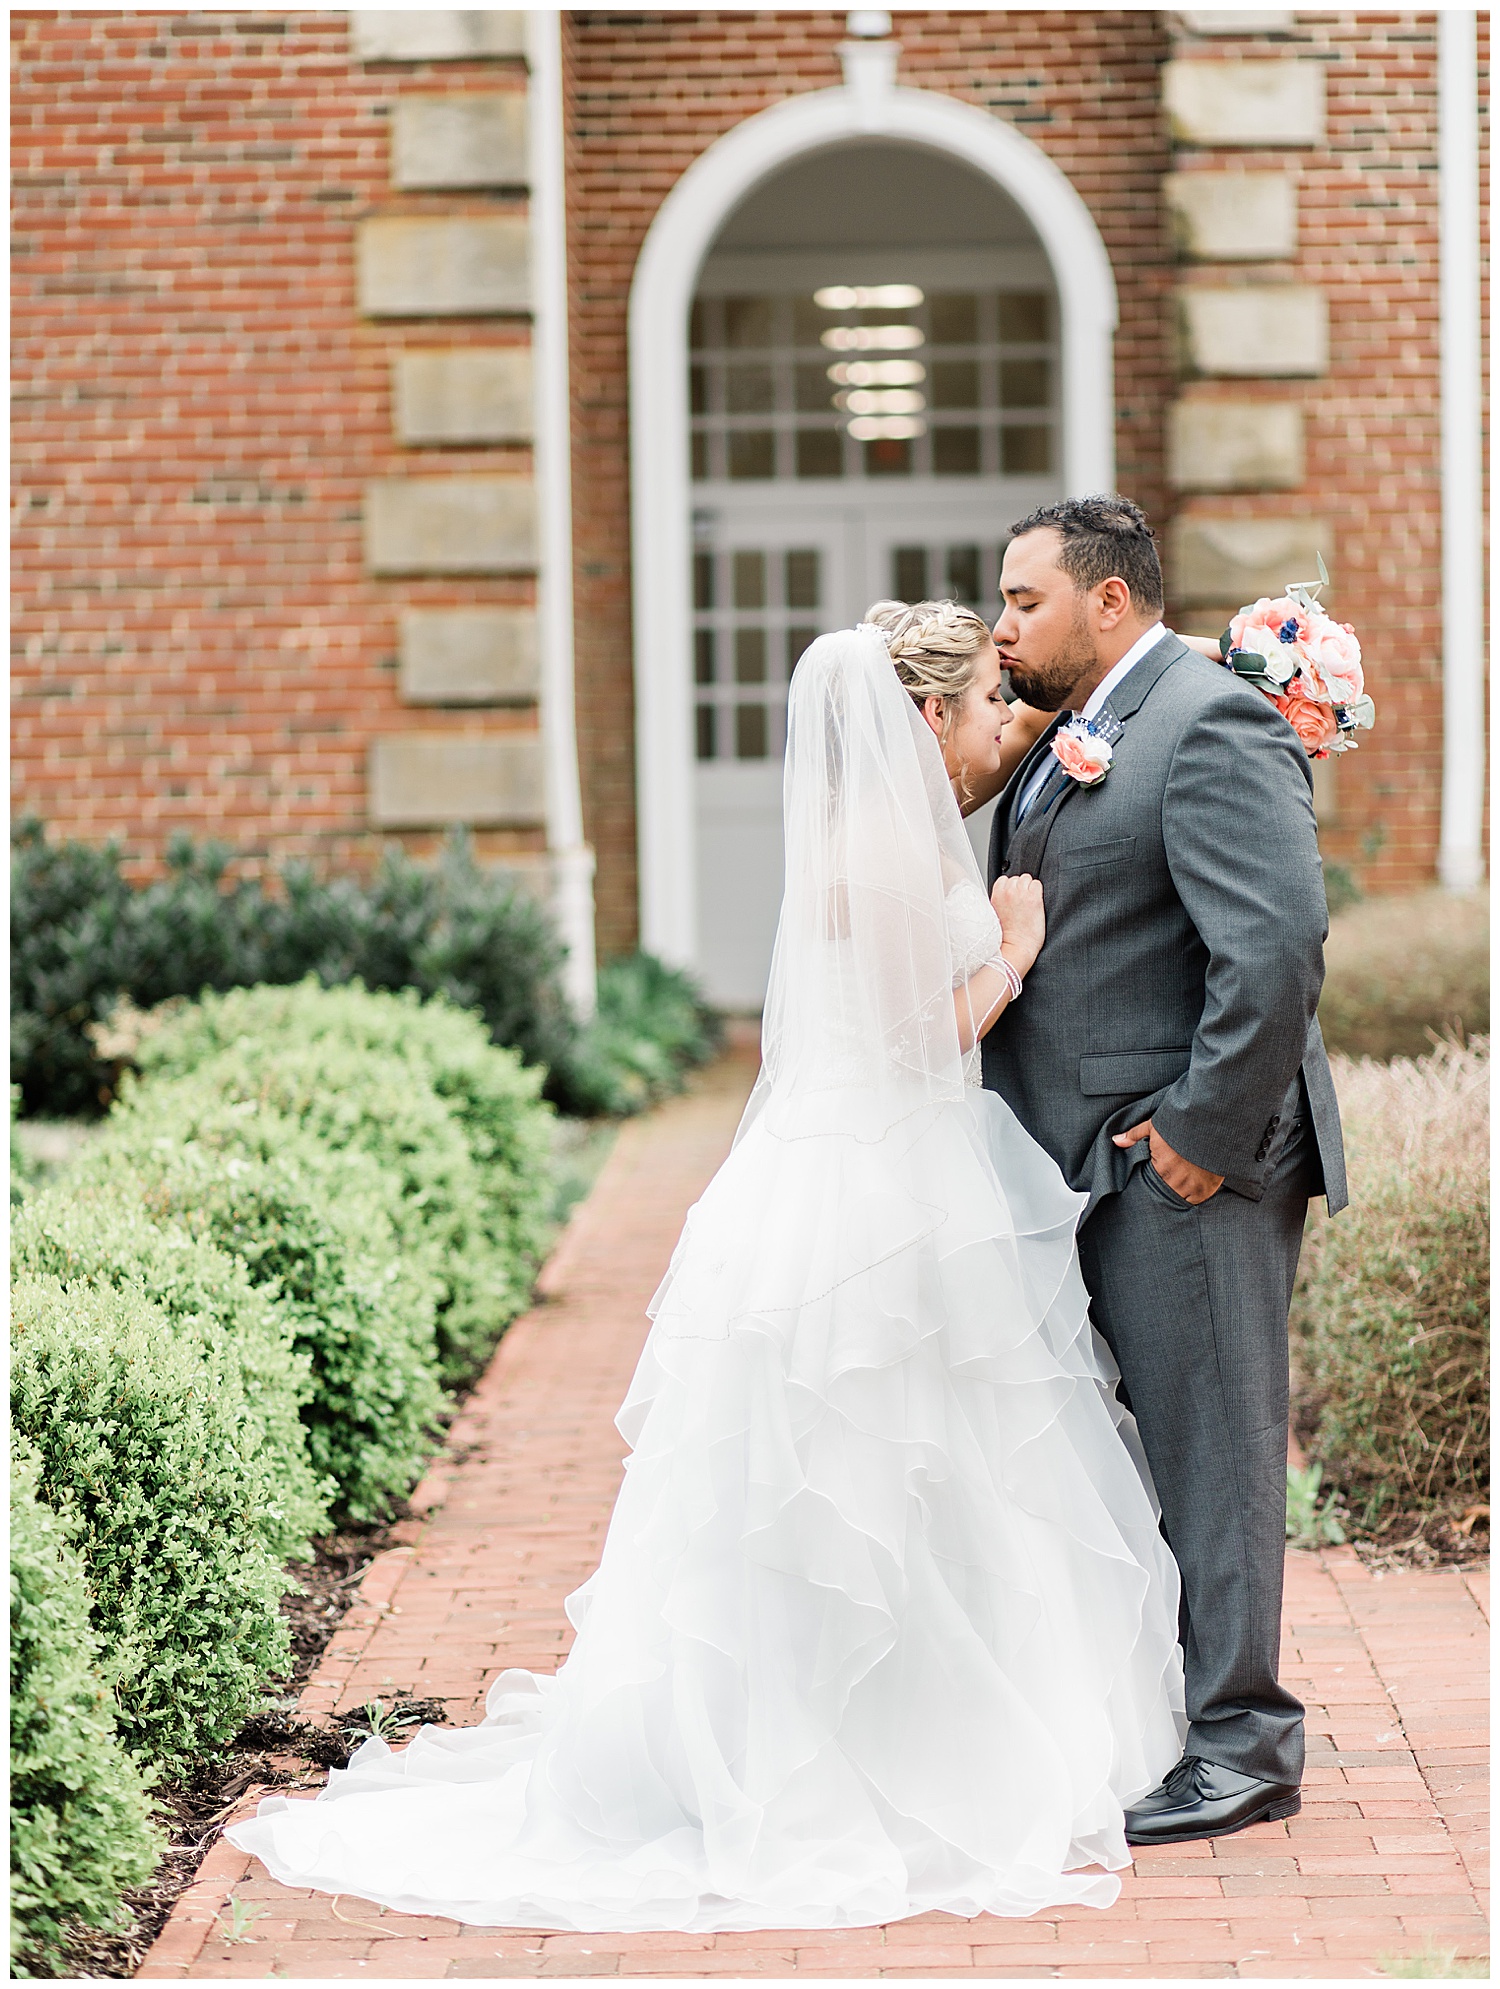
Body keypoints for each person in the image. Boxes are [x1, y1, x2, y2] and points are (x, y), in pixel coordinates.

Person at [228, 603, 1186, 1931]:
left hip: (869, 1178)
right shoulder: (876, 855)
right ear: (921, 718)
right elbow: (922, 1042)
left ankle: (908, 1736)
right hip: (873, 1195)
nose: (998, 724)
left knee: (907, 1475)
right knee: (877, 1467)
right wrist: (1014, 952)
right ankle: (867, 1764)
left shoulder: (892, 837)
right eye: (980, 704)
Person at [982, 495, 1347, 1847]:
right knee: (1143, 1446)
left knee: (1217, 1445)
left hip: (1189, 1162)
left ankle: (1246, 1738)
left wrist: (1200, 1134)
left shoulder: (1208, 721)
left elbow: (1275, 946)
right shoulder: (1093, 728)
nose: (1005, 622)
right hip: (1085, 1159)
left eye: (1025, 600)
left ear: (1111, 601)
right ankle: (1179, 1709)